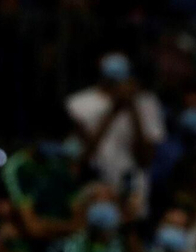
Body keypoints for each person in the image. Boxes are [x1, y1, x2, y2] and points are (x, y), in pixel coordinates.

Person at [65, 51, 166, 199]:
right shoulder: (78, 104)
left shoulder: (147, 103)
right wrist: (113, 111)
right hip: (96, 188)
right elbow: (82, 156)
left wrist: (132, 108)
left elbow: (145, 158)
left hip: (133, 188)